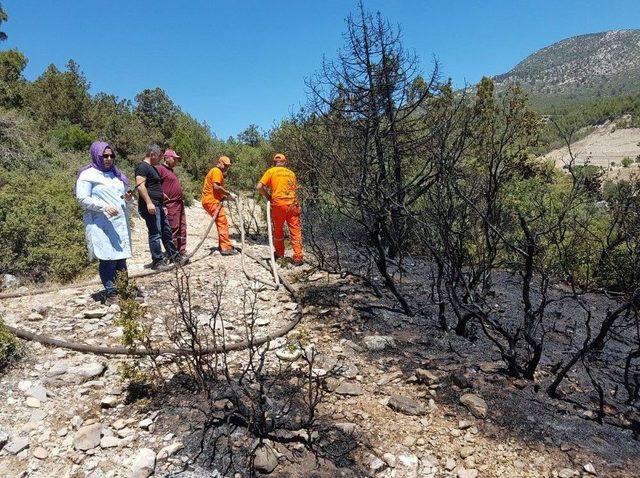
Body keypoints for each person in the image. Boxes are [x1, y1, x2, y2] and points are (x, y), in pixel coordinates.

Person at [76, 141, 132, 304]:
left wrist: (128, 199)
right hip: (101, 222)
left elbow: (123, 198)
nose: (108, 159)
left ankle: (123, 289)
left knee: (121, 257)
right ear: (96, 155)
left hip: (119, 222)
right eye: (104, 156)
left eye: (111, 155)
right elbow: (82, 198)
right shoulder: (88, 175)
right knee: (108, 258)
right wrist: (104, 206)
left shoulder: (116, 175)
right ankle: (111, 292)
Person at [135, 144, 182, 269]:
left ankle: (174, 256)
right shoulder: (142, 167)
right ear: (153, 155)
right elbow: (140, 186)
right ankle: (157, 261)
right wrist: (149, 202)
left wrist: (162, 194)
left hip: (159, 205)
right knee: (155, 233)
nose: (161, 159)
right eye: (159, 156)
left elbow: (154, 185)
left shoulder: (152, 168)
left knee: (166, 232)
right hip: (151, 206)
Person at [256, 153, 303, 266]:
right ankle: (298, 258)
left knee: (278, 230)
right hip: (292, 204)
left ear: (274, 162)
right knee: (295, 231)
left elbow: (259, 187)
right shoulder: (291, 173)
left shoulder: (271, 171)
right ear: (285, 162)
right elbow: (295, 189)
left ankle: (279, 253)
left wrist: (268, 196)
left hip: (278, 204)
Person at [201, 155, 237, 255]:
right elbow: (216, 187)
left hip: (210, 200)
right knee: (222, 223)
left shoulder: (215, 171)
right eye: (225, 165)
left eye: (228, 166)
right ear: (219, 163)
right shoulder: (217, 171)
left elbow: (216, 189)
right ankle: (225, 248)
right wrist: (228, 193)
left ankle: (223, 244)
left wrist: (226, 196)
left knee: (220, 222)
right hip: (212, 201)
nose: (226, 167)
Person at [157, 149, 187, 258]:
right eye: (174, 159)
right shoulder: (159, 169)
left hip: (179, 204)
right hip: (170, 204)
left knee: (182, 227)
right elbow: (154, 185)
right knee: (173, 228)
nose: (176, 161)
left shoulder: (171, 171)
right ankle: (172, 253)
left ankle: (181, 250)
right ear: (167, 158)